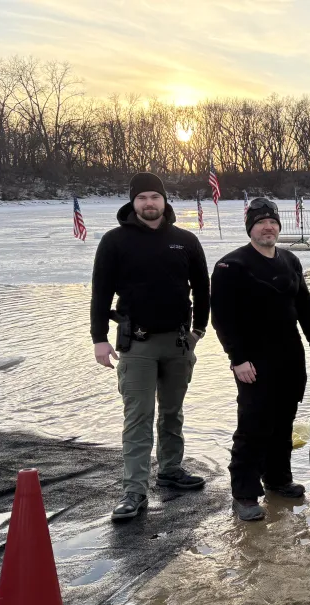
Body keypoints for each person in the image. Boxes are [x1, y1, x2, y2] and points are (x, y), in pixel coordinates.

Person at [91, 172, 209, 521]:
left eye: (154, 197)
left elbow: (203, 290)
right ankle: (134, 491)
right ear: (133, 202)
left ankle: (171, 469)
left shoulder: (185, 241)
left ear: (164, 201)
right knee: (139, 417)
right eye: (142, 198)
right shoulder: (115, 241)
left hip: (177, 342)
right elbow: (100, 293)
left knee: (172, 412)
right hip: (137, 344)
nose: (149, 203)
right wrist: (99, 338)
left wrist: (197, 332)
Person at [211, 198, 310, 521]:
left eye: (272, 222)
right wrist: (237, 358)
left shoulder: (290, 261)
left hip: (290, 357)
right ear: (250, 228)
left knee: (283, 422)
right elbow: (222, 317)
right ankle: (244, 493)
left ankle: (277, 479)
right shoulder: (230, 266)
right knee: (253, 425)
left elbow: (304, 302)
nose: (268, 227)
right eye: (260, 222)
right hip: (253, 361)